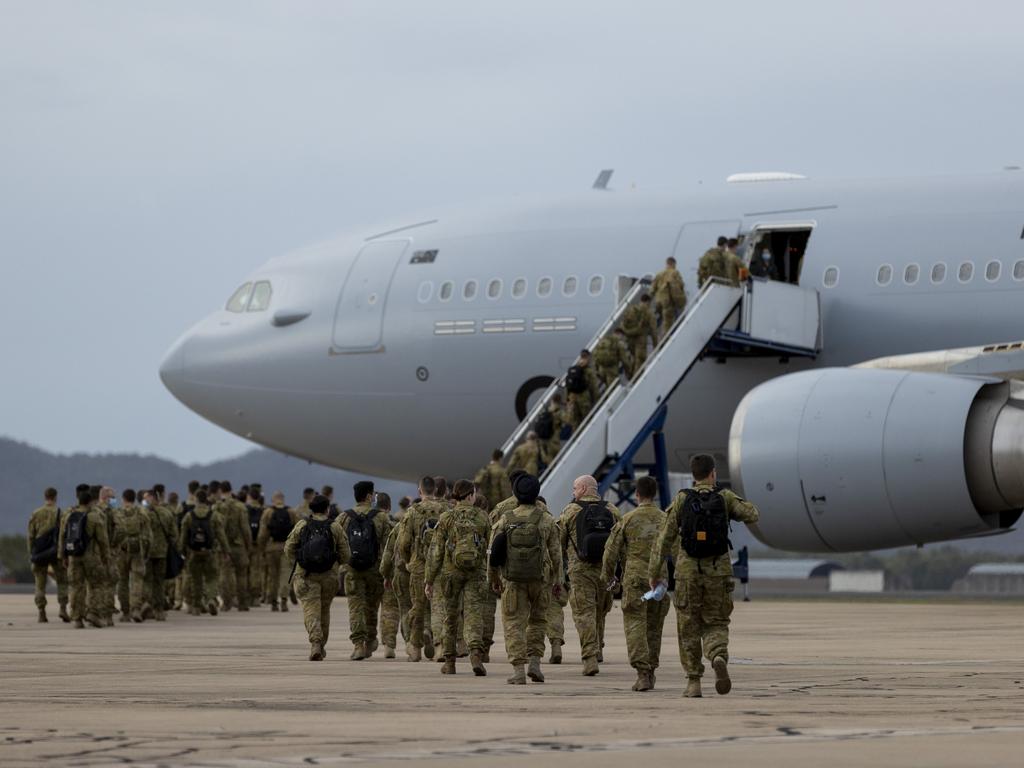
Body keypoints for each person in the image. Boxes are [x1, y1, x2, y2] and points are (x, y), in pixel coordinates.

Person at [649, 454, 759, 697]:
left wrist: (654, 574)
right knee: (716, 621)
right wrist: (734, 501)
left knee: (688, 626)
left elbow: (663, 540)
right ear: (713, 473)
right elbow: (752, 514)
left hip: (687, 573)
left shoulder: (681, 500)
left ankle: (693, 681)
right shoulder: (724, 497)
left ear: (693, 476)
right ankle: (718, 655)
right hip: (718, 572)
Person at [489, 474, 562, 684]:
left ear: (516, 494)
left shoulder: (506, 519)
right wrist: (557, 581)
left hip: (512, 580)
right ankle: (535, 664)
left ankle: (518, 670)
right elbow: (556, 555)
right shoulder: (546, 519)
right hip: (540, 579)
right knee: (538, 621)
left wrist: (493, 578)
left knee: (514, 623)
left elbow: (493, 554)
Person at [601, 476, 670, 692]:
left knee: (635, 626)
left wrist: (608, 578)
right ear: (655, 494)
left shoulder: (627, 519)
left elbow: (610, 552)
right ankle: (651, 671)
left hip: (634, 581)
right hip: (659, 582)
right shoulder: (665, 519)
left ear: (637, 495)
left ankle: (642, 674)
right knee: (654, 628)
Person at [424, 479, 491, 675]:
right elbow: (491, 548)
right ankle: (476, 655)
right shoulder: (482, 517)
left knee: (450, 616)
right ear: (471, 495)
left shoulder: (446, 518)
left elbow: (436, 552)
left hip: (451, 573)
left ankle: (450, 661)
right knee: (473, 614)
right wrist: (494, 575)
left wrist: (429, 580)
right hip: (476, 572)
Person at [559, 475, 620, 676]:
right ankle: (599, 649)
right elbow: (621, 542)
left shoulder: (571, 510)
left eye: (575, 488)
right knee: (600, 611)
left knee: (584, 614)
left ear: (584, 488)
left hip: (580, 571)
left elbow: (559, 540)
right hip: (605, 571)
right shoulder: (612, 510)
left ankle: (590, 657)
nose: (573, 492)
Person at [284, 494, 351, 661]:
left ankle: (315, 642)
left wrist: (300, 560)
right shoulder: (334, 526)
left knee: (311, 609)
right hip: (329, 575)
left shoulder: (302, 524)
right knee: (324, 610)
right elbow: (345, 553)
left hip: (306, 574)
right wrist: (337, 564)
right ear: (327, 509)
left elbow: (289, 548)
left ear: (311, 509)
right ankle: (321, 645)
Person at [338, 481, 392, 660]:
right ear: (369, 496)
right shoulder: (381, 517)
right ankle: (371, 639)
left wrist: (343, 564)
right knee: (371, 607)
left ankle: (358, 644)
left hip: (352, 570)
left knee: (356, 607)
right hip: (374, 570)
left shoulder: (344, 517)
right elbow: (387, 547)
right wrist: (387, 572)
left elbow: (337, 543)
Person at [399, 476, 447, 662]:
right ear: (435, 490)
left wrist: (408, 561)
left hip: (419, 566)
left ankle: (415, 648)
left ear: (420, 491)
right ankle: (440, 647)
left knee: (418, 607)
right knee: (438, 607)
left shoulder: (412, 512)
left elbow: (403, 543)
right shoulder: (446, 510)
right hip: (440, 566)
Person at [59, 487, 111, 628]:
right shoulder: (94, 516)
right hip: (91, 557)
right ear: (90, 502)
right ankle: (93, 613)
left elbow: (62, 537)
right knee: (96, 585)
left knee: (76, 587)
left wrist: (63, 556)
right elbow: (103, 540)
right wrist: (106, 557)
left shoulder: (69, 515)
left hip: (74, 556)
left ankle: (77, 618)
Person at [179, 489, 230, 616]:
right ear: (206, 500)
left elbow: (183, 536)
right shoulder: (214, 515)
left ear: (196, 500)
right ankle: (211, 599)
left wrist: (181, 551)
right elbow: (221, 535)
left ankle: (196, 606)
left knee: (195, 580)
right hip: (209, 552)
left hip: (193, 553)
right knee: (211, 577)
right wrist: (226, 551)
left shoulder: (189, 516)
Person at [27, 487, 69, 623]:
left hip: (39, 553)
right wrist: (64, 555)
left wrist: (32, 553)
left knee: (40, 584)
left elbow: (30, 536)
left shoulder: (36, 513)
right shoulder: (60, 513)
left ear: (45, 497)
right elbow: (64, 535)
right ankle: (63, 608)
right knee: (62, 581)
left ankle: (41, 612)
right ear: (55, 497)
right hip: (55, 553)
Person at [378, 492, 409, 659]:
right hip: (403, 572)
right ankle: (411, 642)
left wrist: (385, 574)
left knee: (388, 610)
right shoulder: (395, 524)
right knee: (405, 608)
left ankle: (388, 644)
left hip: (379, 572)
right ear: (389, 506)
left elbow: (387, 555)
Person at [112, 488, 151, 623]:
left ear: (123, 499)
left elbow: (115, 533)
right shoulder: (141, 513)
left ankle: (125, 612)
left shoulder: (117, 513)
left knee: (122, 581)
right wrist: (146, 551)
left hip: (121, 551)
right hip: (137, 550)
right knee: (137, 581)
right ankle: (136, 608)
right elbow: (148, 535)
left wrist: (115, 548)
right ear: (134, 499)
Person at [258, 491, 298, 611]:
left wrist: (262, 548)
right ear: (283, 499)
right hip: (286, 548)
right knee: (285, 574)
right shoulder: (291, 512)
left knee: (272, 576)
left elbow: (262, 534)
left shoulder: (268, 512)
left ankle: (274, 601)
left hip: (271, 548)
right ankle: (284, 600)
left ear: (273, 499)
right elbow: (297, 531)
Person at [215, 480, 251, 611]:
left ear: (220, 491)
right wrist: (248, 545)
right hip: (239, 546)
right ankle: (242, 603)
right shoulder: (240, 507)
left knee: (225, 575)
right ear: (231, 490)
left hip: (223, 547)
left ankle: (226, 603)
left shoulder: (217, 507)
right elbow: (245, 529)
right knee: (242, 575)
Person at [144, 488, 177, 622]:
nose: (145, 500)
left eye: (146, 498)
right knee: (159, 582)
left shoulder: (144, 514)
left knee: (147, 581)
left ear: (152, 498)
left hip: (147, 553)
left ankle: (147, 605)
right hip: (162, 553)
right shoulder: (167, 513)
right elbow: (174, 535)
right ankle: (159, 611)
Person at [651, 257, 688, 337]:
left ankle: (655, 334)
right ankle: (665, 339)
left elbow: (652, 289)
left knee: (661, 319)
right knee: (668, 322)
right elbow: (679, 286)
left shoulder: (659, 274)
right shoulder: (675, 273)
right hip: (668, 301)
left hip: (659, 301)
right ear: (674, 263)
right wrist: (680, 301)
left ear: (666, 264)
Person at [565, 350, 601, 430]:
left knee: (575, 421)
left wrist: (567, 399)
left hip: (572, 397)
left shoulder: (573, 369)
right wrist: (597, 399)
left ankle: (575, 438)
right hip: (583, 396)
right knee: (586, 419)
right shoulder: (588, 370)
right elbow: (593, 386)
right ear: (588, 357)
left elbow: (568, 385)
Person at [620, 295, 658, 370]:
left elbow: (623, 324)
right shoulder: (649, 313)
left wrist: (628, 333)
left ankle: (632, 377)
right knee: (640, 361)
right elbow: (654, 331)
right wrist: (655, 346)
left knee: (633, 359)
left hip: (629, 339)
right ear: (648, 302)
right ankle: (637, 378)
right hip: (641, 340)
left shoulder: (631, 309)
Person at [245, 487, 265, 607]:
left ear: (249, 496)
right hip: (258, 545)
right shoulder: (263, 510)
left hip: (247, 545)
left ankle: (247, 596)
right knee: (256, 570)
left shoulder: (244, 509)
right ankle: (256, 597)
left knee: (246, 570)